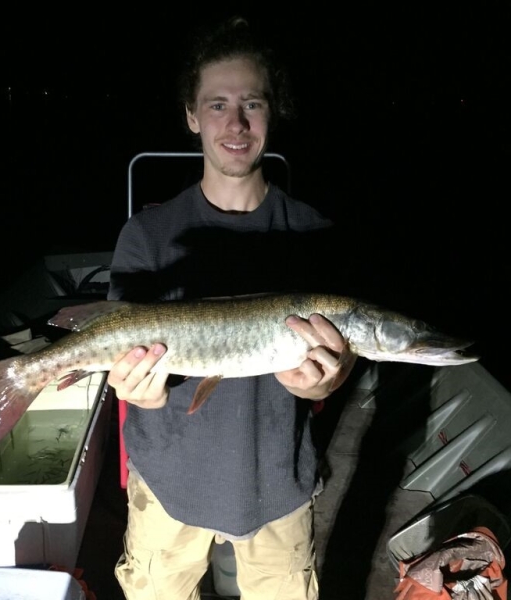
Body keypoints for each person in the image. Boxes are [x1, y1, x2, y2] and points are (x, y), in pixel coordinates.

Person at [106, 15, 357, 600]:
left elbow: (331, 378)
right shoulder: (146, 234)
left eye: (252, 103)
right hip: (166, 482)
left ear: (273, 112)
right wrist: (137, 388)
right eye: (216, 105)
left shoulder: (313, 232)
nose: (236, 124)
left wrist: (324, 385)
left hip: (276, 485)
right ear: (191, 116)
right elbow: (124, 360)